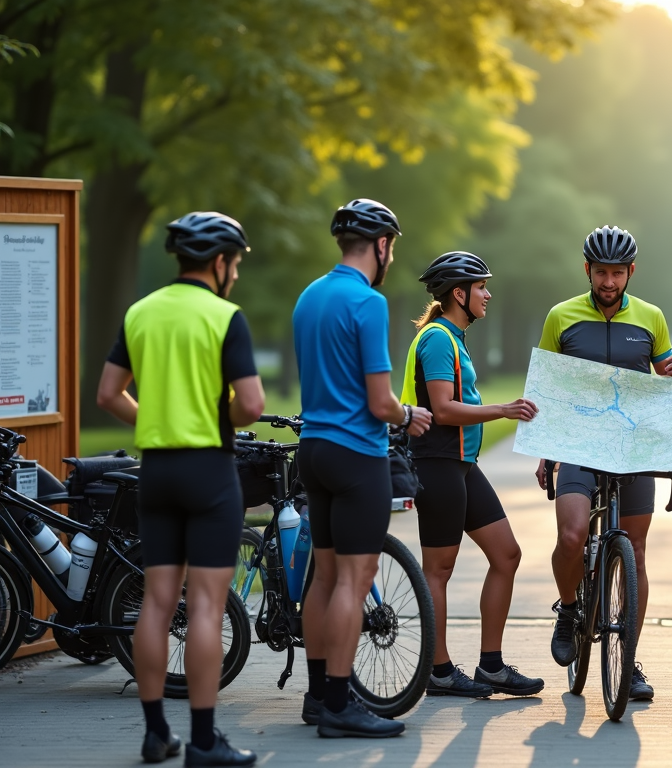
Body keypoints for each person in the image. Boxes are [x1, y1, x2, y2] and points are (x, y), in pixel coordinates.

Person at [97, 211, 264, 766]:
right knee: (208, 605)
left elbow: (107, 394)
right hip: (210, 474)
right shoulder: (224, 316)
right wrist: (221, 419)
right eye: (234, 264)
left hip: (157, 472)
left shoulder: (140, 312)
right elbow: (252, 404)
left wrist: (156, 419)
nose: (235, 274)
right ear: (219, 263)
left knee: (156, 600)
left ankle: (153, 734)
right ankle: (204, 741)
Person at [291, 198, 432, 739]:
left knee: (323, 578)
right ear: (380, 246)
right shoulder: (367, 303)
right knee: (356, 577)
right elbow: (379, 402)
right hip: (357, 456)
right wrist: (409, 413)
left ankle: (317, 693)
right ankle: (340, 707)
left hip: (315, 450)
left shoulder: (310, 296)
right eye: (390, 246)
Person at [536, 225, 672, 702]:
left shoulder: (651, 317)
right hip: (579, 444)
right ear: (588, 270)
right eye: (602, 272)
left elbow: (667, 382)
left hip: (633, 446)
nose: (609, 281)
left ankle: (630, 659)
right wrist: (546, 451)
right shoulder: (561, 316)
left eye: (618, 273)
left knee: (635, 553)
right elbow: (549, 389)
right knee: (572, 535)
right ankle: (570, 608)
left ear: (631, 272)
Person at [401, 251, 545, 698]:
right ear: (458, 294)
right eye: (480, 286)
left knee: (506, 554)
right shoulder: (439, 338)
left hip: (461, 465)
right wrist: (502, 410)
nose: (488, 294)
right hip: (436, 463)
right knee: (439, 570)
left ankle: (491, 666)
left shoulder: (452, 337)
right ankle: (439, 671)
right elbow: (442, 409)